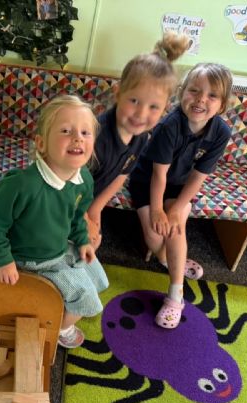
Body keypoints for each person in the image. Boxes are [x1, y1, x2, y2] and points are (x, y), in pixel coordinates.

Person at [0, 95, 109, 349]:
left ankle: (64, 300)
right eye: (66, 131)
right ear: (41, 143)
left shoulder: (83, 179)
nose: (78, 138)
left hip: (61, 245)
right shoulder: (21, 185)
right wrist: (4, 260)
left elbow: (76, 216)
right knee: (88, 301)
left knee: (100, 280)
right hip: (32, 260)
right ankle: (59, 328)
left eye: (85, 132)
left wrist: (82, 241)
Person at [127, 62, 233, 328]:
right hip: (147, 180)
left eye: (211, 95)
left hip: (181, 186)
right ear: (181, 92)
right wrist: (157, 210)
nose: (201, 99)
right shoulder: (169, 126)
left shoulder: (221, 132)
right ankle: (173, 260)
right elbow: (158, 174)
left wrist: (176, 209)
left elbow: (199, 175)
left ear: (222, 105)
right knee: (154, 236)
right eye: (194, 90)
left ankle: (175, 295)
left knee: (175, 227)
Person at [86, 31, 190, 249]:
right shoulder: (95, 136)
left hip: (88, 203)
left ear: (165, 109)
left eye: (153, 107)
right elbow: (66, 183)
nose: (141, 114)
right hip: (61, 201)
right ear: (118, 93)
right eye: (134, 101)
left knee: (91, 246)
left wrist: (95, 210)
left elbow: (121, 175)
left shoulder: (141, 138)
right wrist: (84, 218)